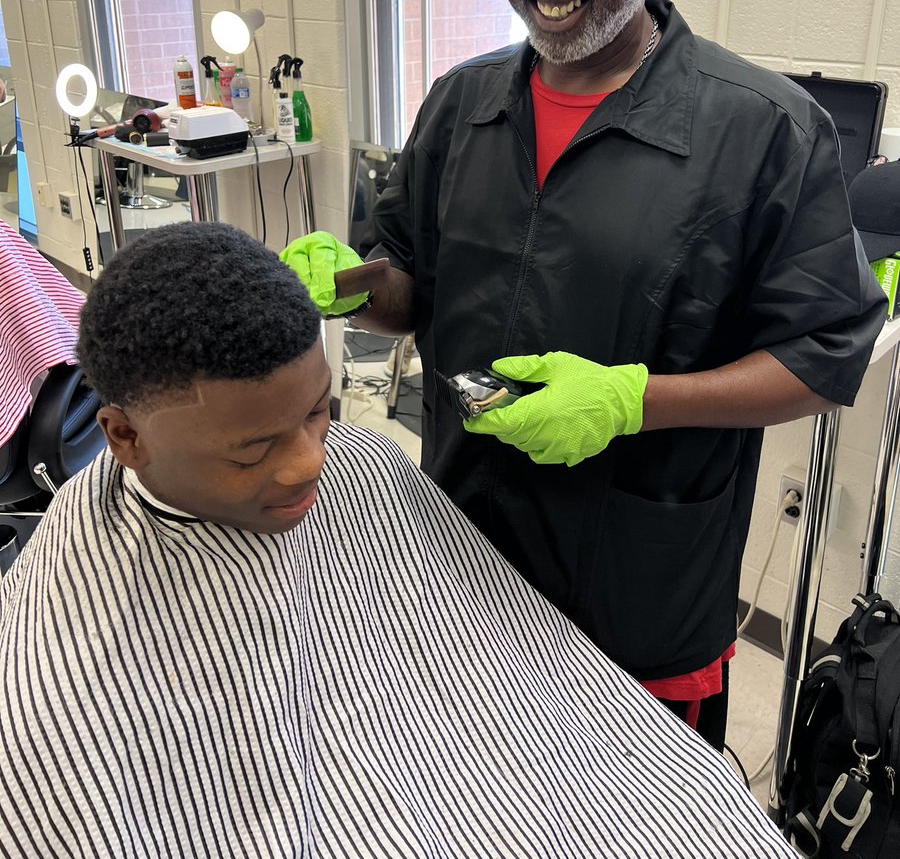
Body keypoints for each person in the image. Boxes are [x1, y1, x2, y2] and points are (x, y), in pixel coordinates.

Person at [281, 0, 886, 749]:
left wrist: (629, 402)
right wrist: (355, 284)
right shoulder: (461, 104)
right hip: (464, 550)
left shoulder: (761, 131)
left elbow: (823, 362)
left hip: (637, 593)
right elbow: (412, 284)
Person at [0, 221, 796, 857]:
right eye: (254, 449)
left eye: (319, 413)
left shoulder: (366, 466)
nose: (309, 463)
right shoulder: (52, 655)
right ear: (124, 437)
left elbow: (521, 669)